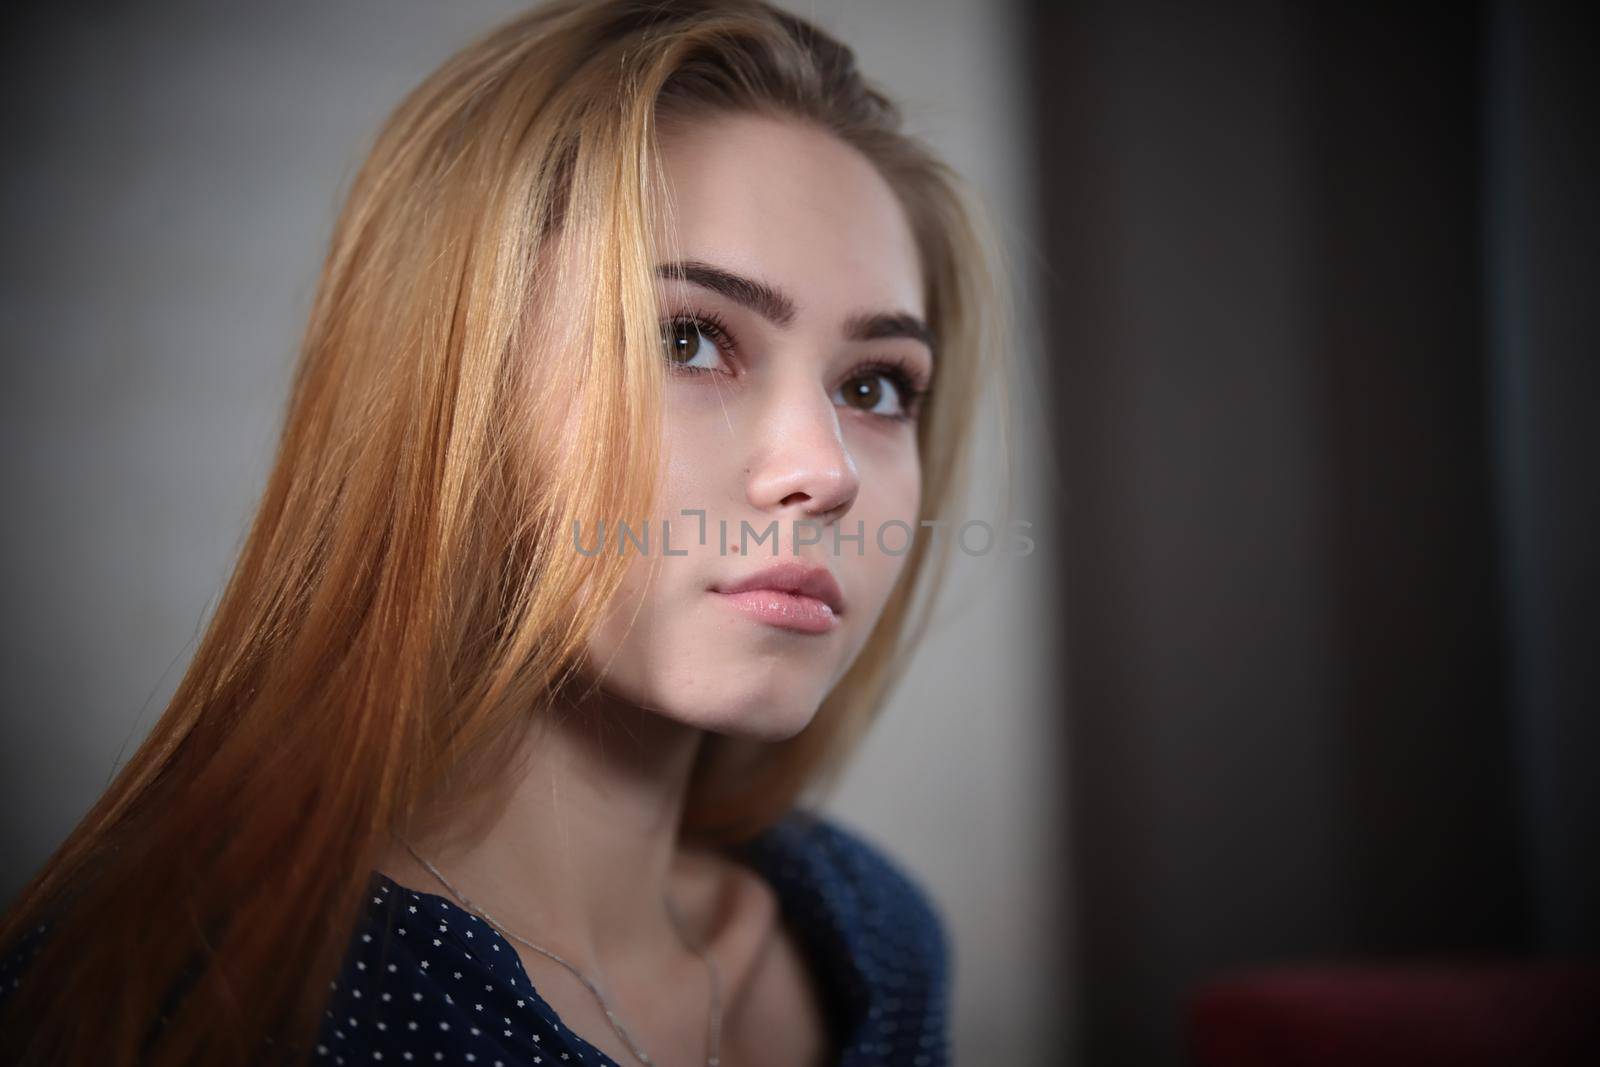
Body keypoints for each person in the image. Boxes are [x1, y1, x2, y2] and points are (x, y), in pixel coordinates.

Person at [0, 1, 1007, 1064]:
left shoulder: (877, 940)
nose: (825, 470)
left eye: (876, 385)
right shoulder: (183, 1005)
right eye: (686, 336)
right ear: (443, 388)